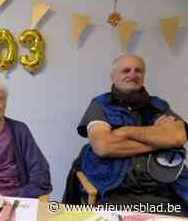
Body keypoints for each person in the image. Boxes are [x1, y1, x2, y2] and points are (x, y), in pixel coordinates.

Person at [77, 54, 188, 214]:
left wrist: (124, 132)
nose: (132, 74)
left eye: (138, 70)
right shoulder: (100, 105)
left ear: (143, 76)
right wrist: (158, 138)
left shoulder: (159, 105)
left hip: (163, 191)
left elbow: (178, 137)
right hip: (117, 191)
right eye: (126, 70)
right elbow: (104, 146)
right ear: (113, 77)